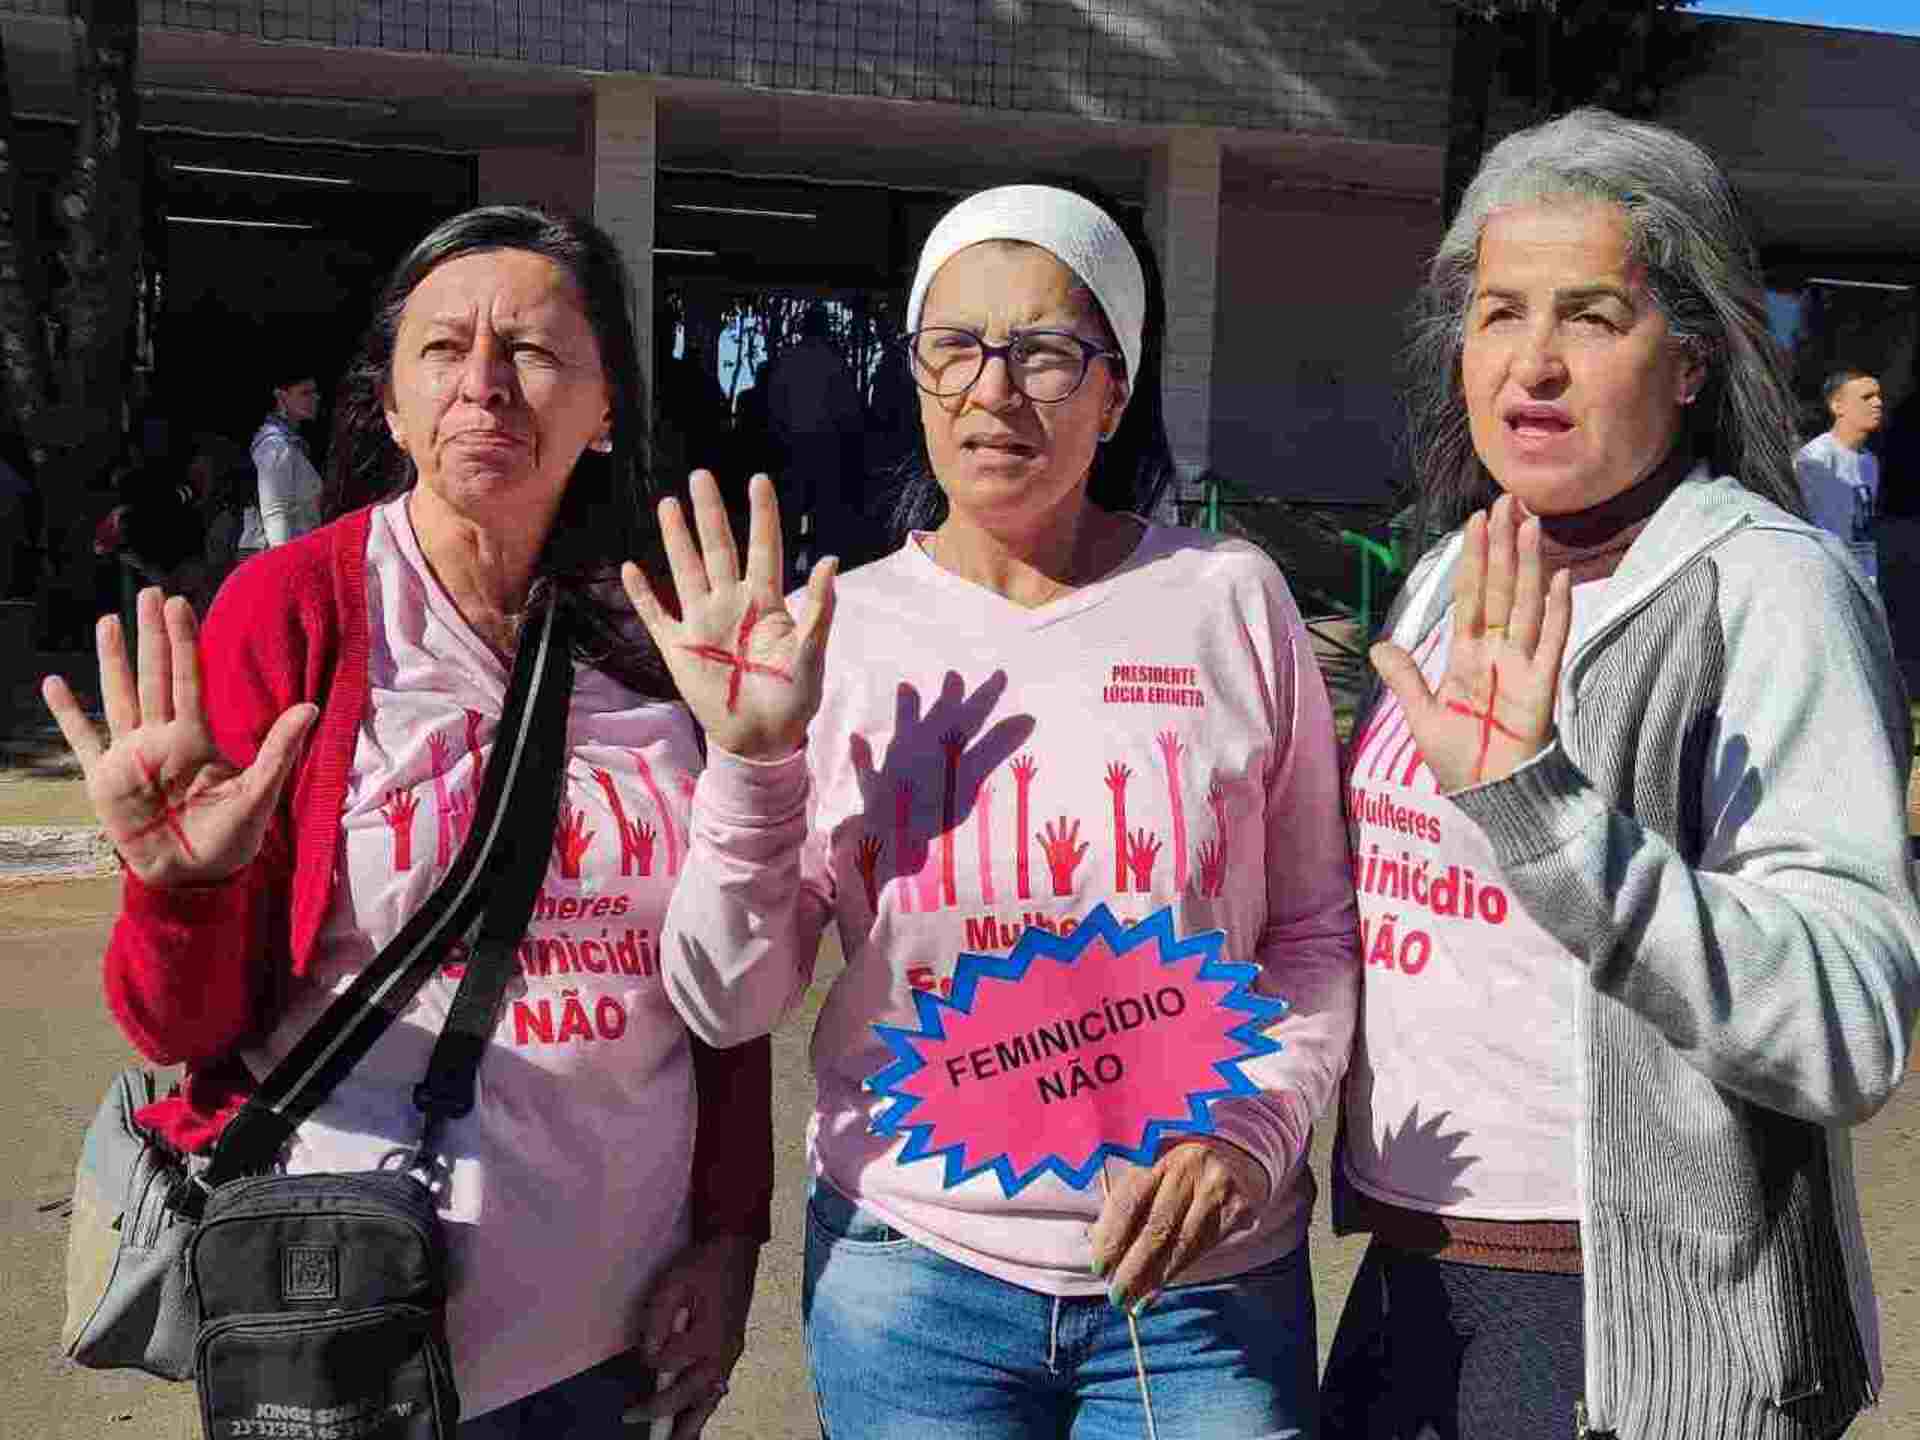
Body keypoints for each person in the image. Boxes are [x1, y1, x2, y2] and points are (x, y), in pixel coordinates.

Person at [627, 183, 1358, 1437]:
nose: (994, 389)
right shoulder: (839, 629)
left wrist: (1250, 1130)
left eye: (1046, 352)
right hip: (911, 1275)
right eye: (955, 346)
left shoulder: (1229, 600)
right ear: (915, 373)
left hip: (1202, 1291)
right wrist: (752, 762)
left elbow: (1309, 931)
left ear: (1115, 388)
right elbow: (727, 999)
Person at [42, 207, 771, 1439]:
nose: (483, 383)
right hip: (337, 1335)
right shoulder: (298, 609)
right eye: (442, 350)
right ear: (387, 402)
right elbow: (184, 1026)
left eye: (533, 352)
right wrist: (178, 891)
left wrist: (731, 1233)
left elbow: (721, 992)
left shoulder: (669, 632)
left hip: (615, 1336)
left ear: (605, 410)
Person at [1320, 109, 1920, 1440]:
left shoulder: (1770, 589)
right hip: (1413, 1274)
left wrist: (1549, 817)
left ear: (1693, 356)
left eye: (1592, 316)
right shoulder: (1452, 576)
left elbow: (1849, 1021)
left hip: (1638, 1325)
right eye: (1497, 314)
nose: (1531, 364)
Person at [762, 303, 867, 579]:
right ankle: (820, 571)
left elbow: (774, 407)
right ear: (825, 328)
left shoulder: (787, 360)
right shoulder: (835, 363)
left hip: (792, 447)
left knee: (790, 514)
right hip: (826, 448)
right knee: (824, 515)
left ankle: (785, 571)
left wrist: (779, 438)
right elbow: (849, 413)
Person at [1796, 368, 1886, 582]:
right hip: (1827, 579)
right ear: (1837, 407)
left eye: (1878, 396)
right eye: (1866, 397)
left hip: (1865, 579)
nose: (1878, 403)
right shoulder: (1815, 458)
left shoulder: (1870, 461)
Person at [240, 362, 326, 556]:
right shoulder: (275, 446)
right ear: (281, 397)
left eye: (314, 392)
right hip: (276, 557)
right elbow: (276, 514)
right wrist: (284, 567)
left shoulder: (291, 443)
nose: (315, 398)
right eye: (305, 393)